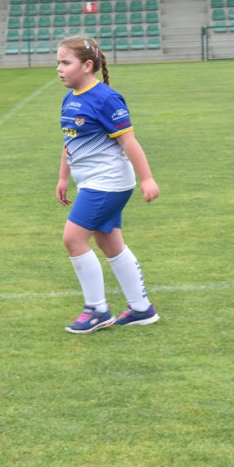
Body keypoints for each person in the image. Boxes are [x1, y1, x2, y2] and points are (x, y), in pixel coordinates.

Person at [54, 36, 160, 334]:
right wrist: (63, 177)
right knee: (109, 242)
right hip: (90, 182)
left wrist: (147, 178)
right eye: (58, 63)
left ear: (88, 66)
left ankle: (97, 309)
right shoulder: (70, 97)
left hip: (108, 182)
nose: (59, 69)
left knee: (73, 238)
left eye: (65, 62)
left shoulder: (106, 98)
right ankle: (141, 308)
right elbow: (69, 141)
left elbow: (129, 141)